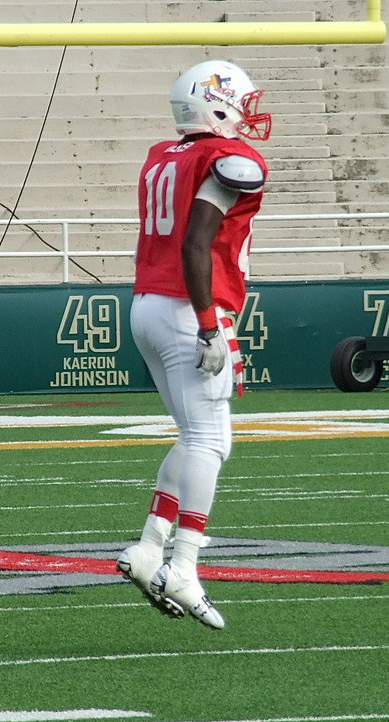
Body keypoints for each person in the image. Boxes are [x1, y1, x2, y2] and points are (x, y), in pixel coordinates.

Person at [116, 60, 272, 630]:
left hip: (149, 305)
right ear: (218, 103)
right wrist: (210, 324)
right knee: (206, 439)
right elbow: (196, 244)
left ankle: (150, 547)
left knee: (209, 436)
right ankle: (182, 564)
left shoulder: (165, 153)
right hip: (186, 307)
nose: (251, 115)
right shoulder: (228, 160)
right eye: (242, 103)